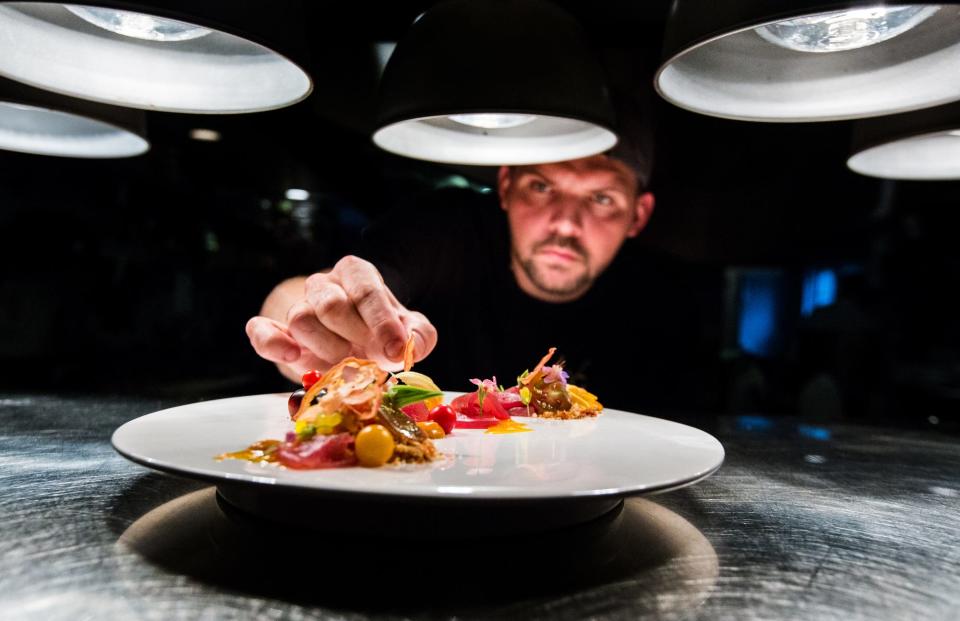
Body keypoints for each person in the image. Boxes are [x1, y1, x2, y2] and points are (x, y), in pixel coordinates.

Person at [246, 145, 717, 414]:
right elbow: (336, 285)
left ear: (639, 214)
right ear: (506, 185)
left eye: (601, 199)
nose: (565, 224)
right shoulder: (444, 229)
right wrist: (311, 321)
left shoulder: (666, 303)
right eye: (542, 187)